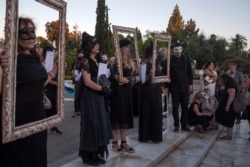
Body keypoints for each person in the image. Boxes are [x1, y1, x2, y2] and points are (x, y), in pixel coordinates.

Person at [0, 17, 48, 167]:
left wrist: (44, 96)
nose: (31, 36)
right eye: (24, 32)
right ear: (14, 34)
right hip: (17, 125)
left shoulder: (35, 58)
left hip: (38, 121)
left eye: (32, 31)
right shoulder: (8, 58)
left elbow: (35, 84)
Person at [78, 32, 112, 166]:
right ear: (88, 46)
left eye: (98, 44)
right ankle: (88, 155)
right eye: (94, 44)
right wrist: (102, 89)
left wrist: (105, 86)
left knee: (100, 125)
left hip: (99, 98)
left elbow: (101, 77)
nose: (98, 46)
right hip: (90, 97)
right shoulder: (85, 60)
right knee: (91, 125)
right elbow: (87, 82)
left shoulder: (98, 61)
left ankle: (97, 153)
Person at [109, 39, 136, 153]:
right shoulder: (116, 62)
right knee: (116, 117)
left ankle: (123, 142)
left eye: (129, 47)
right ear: (121, 49)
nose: (129, 49)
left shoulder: (130, 62)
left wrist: (134, 79)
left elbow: (132, 77)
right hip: (117, 93)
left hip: (126, 93)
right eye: (126, 47)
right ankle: (115, 143)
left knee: (124, 117)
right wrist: (129, 82)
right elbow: (116, 77)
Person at [165, 40, 193, 132]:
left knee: (185, 106)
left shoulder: (186, 59)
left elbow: (189, 72)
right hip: (174, 87)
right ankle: (176, 125)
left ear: (181, 50)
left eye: (179, 50)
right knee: (175, 107)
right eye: (175, 50)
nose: (177, 52)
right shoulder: (170, 60)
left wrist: (190, 84)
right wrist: (167, 86)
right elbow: (166, 74)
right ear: (173, 50)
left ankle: (184, 124)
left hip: (185, 86)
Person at [138, 42, 163, 142]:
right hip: (147, 92)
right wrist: (149, 74)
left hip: (156, 91)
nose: (157, 55)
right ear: (150, 54)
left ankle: (155, 136)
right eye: (155, 53)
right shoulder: (144, 64)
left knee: (156, 113)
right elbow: (142, 80)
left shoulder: (156, 65)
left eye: (157, 53)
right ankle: (146, 136)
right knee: (147, 113)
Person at [42, 46, 62, 135]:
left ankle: (53, 127)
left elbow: (55, 75)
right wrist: (55, 83)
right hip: (48, 89)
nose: (55, 54)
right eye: (53, 52)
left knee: (54, 109)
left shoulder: (54, 63)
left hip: (54, 90)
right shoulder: (44, 63)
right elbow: (46, 78)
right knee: (47, 109)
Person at [215, 73, 238, 140]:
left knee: (229, 120)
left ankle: (229, 135)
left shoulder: (231, 85)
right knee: (218, 113)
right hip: (225, 104)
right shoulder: (229, 84)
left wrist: (228, 105)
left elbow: (232, 95)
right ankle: (217, 126)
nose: (220, 81)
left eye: (221, 80)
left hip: (230, 105)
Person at [71, 49, 83, 117]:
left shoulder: (83, 62)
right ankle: (76, 110)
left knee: (81, 95)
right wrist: (73, 74)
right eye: (79, 54)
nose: (80, 55)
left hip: (82, 80)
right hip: (76, 80)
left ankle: (80, 109)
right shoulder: (75, 63)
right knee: (77, 95)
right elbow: (73, 70)